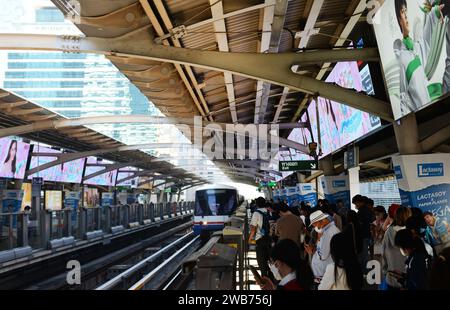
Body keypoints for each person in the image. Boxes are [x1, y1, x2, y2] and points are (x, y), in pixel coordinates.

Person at [393, 0, 446, 114]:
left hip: (431, 112)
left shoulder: (416, 49)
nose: (406, 16)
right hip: (421, 119)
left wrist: (434, 13)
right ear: (399, 19)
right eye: (403, 12)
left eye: (406, 11)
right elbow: (403, 96)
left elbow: (426, 39)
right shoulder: (402, 58)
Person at [304, 210, 340, 283]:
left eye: (314, 224)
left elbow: (323, 256)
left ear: (321, 221)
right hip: (328, 269)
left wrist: (312, 251)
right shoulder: (332, 229)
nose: (314, 227)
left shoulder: (327, 234)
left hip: (324, 271)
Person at [381, 206, 412, 289]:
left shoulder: (388, 232)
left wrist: (385, 271)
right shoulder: (411, 232)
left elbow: (383, 253)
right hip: (409, 278)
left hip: (392, 276)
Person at [248, 197, 272, 279]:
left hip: (260, 240)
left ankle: (265, 278)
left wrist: (250, 239)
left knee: (262, 261)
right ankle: (272, 277)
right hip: (269, 239)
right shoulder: (269, 211)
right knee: (270, 259)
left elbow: (253, 229)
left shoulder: (256, 213)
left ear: (257, 204)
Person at [352, 195, 375, 274]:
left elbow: (360, 224)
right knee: (365, 253)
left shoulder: (362, 211)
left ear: (360, 202)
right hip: (367, 234)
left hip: (362, 235)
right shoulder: (368, 210)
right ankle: (366, 270)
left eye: (356, 203)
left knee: (363, 254)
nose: (355, 206)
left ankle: (366, 271)